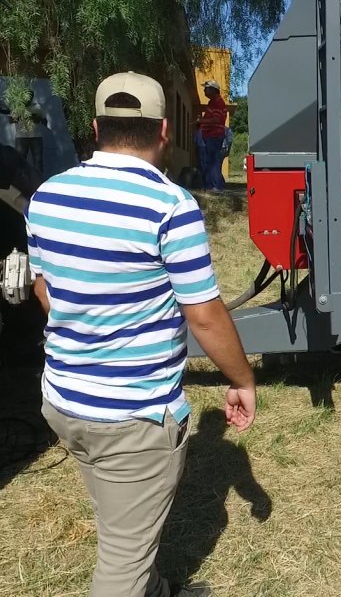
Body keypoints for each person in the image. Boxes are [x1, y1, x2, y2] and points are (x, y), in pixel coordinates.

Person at [26, 71, 257, 597]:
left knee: (122, 524)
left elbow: (45, 292)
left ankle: (153, 587)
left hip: (63, 402)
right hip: (132, 417)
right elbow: (203, 314)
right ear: (163, 132)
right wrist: (242, 378)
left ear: (95, 127)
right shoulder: (171, 206)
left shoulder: (48, 196)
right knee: (120, 566)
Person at [196, 80, 228, 192]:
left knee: (213, 161)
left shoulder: (217, 103)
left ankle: (216, 186)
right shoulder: (212, 103)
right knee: (209, 161)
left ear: (213, 90)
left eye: (206, 88)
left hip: (214, 136)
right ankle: (212, 186)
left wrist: (202, 121)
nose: (204, 90)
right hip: (209, 135)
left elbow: (216, 119)